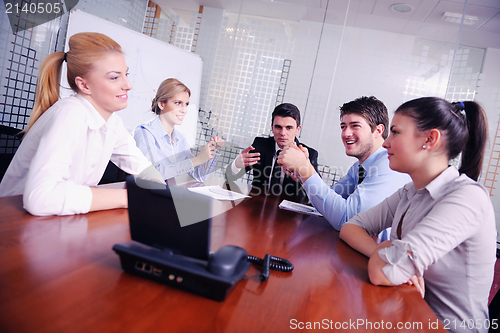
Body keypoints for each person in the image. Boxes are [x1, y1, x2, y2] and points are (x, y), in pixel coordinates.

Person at [340, 97, 495, 332]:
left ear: (430, 139)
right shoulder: (411, 190)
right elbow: (351, 227)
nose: (385, 143)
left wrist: (389, 255)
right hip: (406, 314)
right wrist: (385, 251)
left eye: (395, 132)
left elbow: (383, 272)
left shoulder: (467, 198)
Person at [0, 32, 163, 216]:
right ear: (84, 85)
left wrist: (159, 189)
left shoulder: (112, 123)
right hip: (12, 225)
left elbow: (142, 167)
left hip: (56, 223)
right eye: (114, 77)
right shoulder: (70, 113)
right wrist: (128, 198)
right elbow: (41, 198)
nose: (128, 85)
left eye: (126, 74)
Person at [278, 96, 410, 233]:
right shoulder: (358, 168)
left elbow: (349, 222)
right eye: (343, 127)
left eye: (355, 126)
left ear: (378, 130)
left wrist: (305, 168)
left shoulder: (389, 165)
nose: (346, 134)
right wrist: (302, 176)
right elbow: (326, 207)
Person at [134, 78, 224, 182]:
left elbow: (199, 176)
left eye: (186, 104)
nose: (184, 110)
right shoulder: (144, 133)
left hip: (171, 193)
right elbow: (152, 174)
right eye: (177, 103)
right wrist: (197, 160)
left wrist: (210, 151)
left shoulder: (180, 139)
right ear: (161, 104)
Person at [225, 103, 318, 197]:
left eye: (289, 128)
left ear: (298, 129)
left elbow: (317, 194)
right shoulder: (259, 145)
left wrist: (304, 180)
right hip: (258, 205)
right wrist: (236, 165)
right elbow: (229, 176)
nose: (282, 133)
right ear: (272, 128)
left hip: (289, 209)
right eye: (278, 127)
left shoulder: (309, 154)